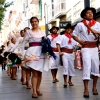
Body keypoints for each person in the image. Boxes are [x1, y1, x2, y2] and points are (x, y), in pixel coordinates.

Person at [72, 7, 100, 98]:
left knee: (96, 67)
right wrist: (79, 41)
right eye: (88, 13)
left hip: (95, 47)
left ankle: (94, 87)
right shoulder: (80, 24)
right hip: (85, 48)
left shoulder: (97, 24)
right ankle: (86, 89)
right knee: (87, 66)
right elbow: (74, 35)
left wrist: (97, 32)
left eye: (91, 12)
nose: (90, 14)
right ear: (84, 15)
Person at [21, 16, 47, 98]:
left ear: (38, 22)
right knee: (34, 73)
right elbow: (23, 43)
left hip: (41, 53)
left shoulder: (42, 32)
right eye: (32, 22)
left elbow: (46, 42)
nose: (34, 23)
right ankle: (34, 91)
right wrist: (22, 53)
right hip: (32, 53)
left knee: (40, 72)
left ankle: (38, 88)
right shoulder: (28, 32)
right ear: (31, 23)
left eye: (35, 21)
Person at [56, 24, 77, 88]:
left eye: (70, 29)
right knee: (65, 66)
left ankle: (69, 80)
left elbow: (77, 44)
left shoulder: (73, 37)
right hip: (65, 53)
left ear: (72, 30)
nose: (69, 30)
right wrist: (60, 52)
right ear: (66, 29)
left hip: (71, 53)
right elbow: (58, 44)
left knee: (71, 67)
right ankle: (65, 81)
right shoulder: (62, 36)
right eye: (68, 28)